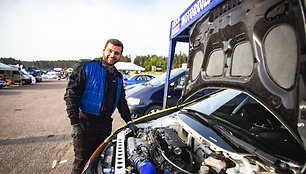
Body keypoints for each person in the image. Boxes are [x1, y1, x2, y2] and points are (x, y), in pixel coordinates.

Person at [64, 38, 138, 174]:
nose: (112, 55)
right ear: (104, 50)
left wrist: (129, 121)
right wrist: (74, 123)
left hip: (105, 125)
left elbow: (122, 102)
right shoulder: (86, 67)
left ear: (120, 56)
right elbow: (71, 95)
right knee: (81, 162)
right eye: (110, 51)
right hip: (85, 123)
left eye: (117, 53)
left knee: (100, 161)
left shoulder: (118, 77)